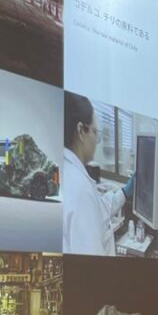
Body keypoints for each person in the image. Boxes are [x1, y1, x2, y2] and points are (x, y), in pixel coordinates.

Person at [62, 91, 133, 255]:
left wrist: (124, 192)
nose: (96, 141)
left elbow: (99, 209)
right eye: (95, 132)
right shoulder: (80, 190)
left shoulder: (70, 173)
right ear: (81, 131)